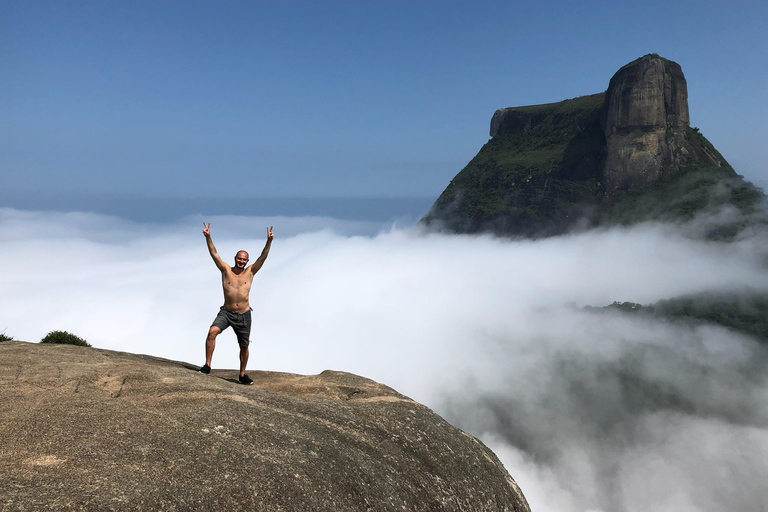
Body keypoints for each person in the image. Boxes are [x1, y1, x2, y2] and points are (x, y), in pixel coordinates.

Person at [199, 222, 274, 384]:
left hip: (244, 315)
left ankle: (242, 374)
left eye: (244, 259)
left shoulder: (250, 271)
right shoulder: (226, 269)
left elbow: (263, 257)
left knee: (244, 346)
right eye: (239, 258)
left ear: (247, 261)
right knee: (212, 332)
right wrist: (208, 237)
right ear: (235, 258)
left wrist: (269, 241)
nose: (241, 261)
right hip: (226, 312)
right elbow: (214, 254)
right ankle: (207, 365)